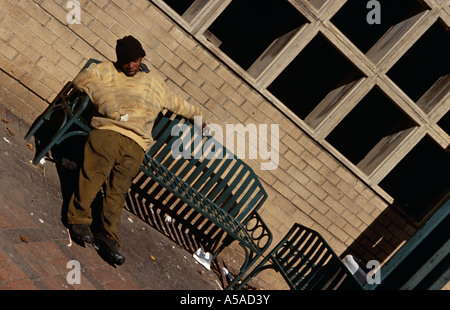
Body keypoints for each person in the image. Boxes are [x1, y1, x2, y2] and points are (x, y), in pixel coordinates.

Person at [67, 35, 205, 265]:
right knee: (95, 172)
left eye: (135, 60)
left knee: (118, 189)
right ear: (118, 60)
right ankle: (79, 218)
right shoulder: (107, 70)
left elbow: (178, 103)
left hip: (137, 142)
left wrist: (199, 117)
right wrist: (110, 106)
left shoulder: (155, 82)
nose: (130, 65)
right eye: (126, 61)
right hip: (110, 129)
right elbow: (84, 78)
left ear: (142, 58)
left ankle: (109, 236)